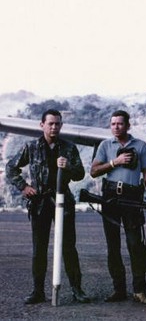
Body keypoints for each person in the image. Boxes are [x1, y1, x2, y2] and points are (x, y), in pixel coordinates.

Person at [5, 109, 90, 304]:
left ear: (61, 125)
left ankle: (77, 289)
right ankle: (38, 291)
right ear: (42, 125)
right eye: (50, 123)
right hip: (40, 202)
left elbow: (80, 174)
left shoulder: (68, 148)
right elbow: (11, 167)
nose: (54, 127)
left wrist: (68, 166)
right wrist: (24, 186)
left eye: (57, 124)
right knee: (39, 248)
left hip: (63, 201)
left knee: (69, 247)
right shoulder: (31, 147)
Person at [90, 110, 146, 304]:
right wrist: (115, 162)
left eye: (120, 124)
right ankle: (118, 289)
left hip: (131, 196)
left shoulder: (141, 146)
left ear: (128, 125)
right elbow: (94, 171)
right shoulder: (105, 145)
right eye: (112, 124)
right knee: (113, 246)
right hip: (110, 197)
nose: (116, 127)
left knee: (135, 244)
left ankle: (139, 290)